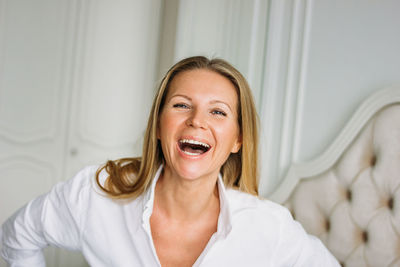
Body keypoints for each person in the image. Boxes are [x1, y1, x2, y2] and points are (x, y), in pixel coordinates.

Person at [1, 56, 340, 267]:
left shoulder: (269, 228)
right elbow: (17, 236)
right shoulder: (97, 195)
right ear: (159, 127)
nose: (197, 120)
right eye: (181, 105)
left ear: (238, 140)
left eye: (218, 112)